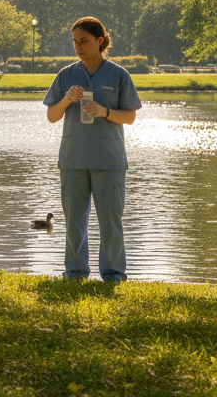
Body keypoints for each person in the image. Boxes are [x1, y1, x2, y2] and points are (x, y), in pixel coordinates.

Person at [43, 17, 142, 283]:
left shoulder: (119, 75)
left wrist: (105, 112)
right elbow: (52, 116)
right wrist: (66, 99)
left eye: (84, 41)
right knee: (74, 222)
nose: (78, 46)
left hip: (108, 160)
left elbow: (130, 117)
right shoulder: (66, 75)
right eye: (75, 41)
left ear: (100, 41)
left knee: (111, 222)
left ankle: (113, 274)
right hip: (73, 159)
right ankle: (75, 273)